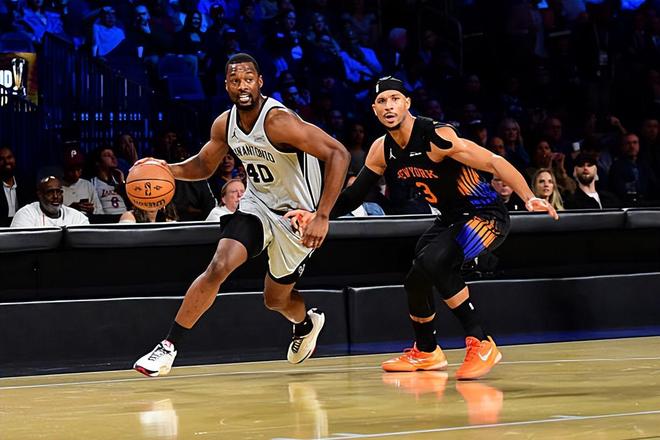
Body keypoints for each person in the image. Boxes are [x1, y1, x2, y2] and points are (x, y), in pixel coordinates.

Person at [290, 76, 557, 380]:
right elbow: (354, 195)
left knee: (435, 261)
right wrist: (318, 215)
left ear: (407, 103)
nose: (389, 106)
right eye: (382, 101)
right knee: (416, 278)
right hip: (450, 219)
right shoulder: (382, 149)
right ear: (374, 109)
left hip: (485, 215)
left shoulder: (436, 136)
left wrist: (528, 196)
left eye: (395, 99)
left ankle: (482, 342)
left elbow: (494, 162)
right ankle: (427, 351)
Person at [133, 53, 350, 377]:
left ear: (260, 82)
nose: (242, 86)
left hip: (296, 217)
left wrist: (322, 215)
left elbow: (338, 153)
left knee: (275, 300)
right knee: (219, 265)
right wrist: (166, 169)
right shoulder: (225, 124)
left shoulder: (278, 121)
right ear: (226, 85)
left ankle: (306, 324)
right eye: (235, 81)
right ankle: (168, 347)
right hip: (257, 204)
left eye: (248, 79)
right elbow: (204, 165)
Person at [11, 176, 89, 227]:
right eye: (50, 192)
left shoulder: (77, 217)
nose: (55, 196)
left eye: (58, 192)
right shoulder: (26, 214)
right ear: (40, 195)